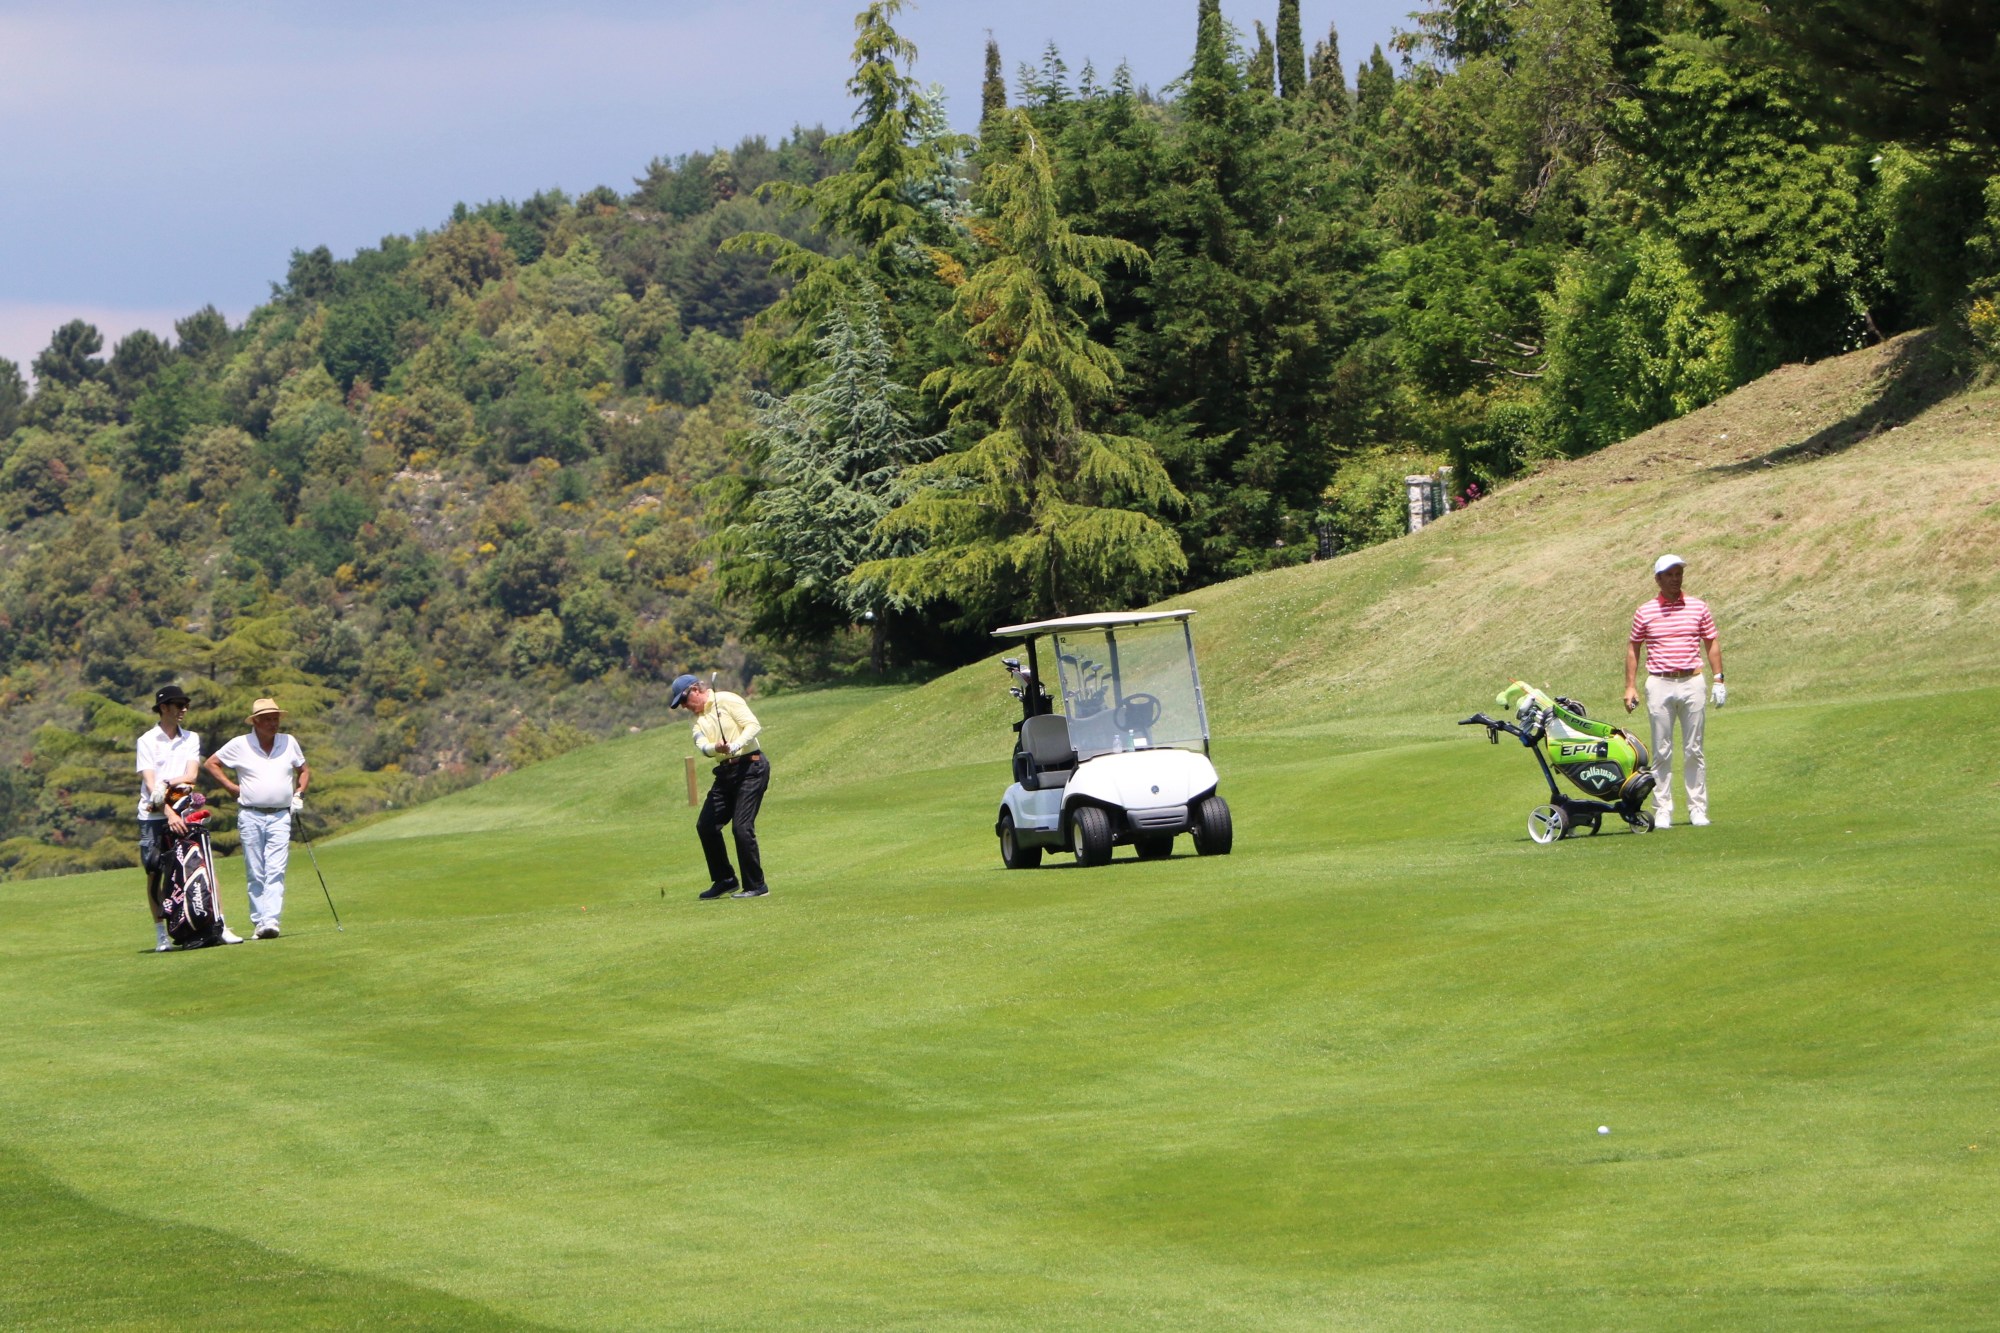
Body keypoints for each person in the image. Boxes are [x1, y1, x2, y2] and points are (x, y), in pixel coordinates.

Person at [1623, 554, 1726, 828]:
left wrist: (1718, 679)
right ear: (1658, 579)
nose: (1675, 579)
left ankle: (1697, 809)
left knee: (1694, 749)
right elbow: (1634, 647)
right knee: (1662, 750)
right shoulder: (1645, 611)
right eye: (1669, 574)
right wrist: (1630, 686)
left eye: (1678, 573)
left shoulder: (1698, 607)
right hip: (1660, 682)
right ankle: (1662, 809)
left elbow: (1711, 641)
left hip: (1692, 681)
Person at [137, 685, 242, 949]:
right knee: (155, 873)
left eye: (186, 705)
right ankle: (161, 935)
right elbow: (150, 784)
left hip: (185, 813)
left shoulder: (191, 738)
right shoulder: (147, 741)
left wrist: (166, 784)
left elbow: (191, 776)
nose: (184, 709)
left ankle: (220, 925)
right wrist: (168, 811)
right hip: (153, 817)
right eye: (178, 705)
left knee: (203, 867)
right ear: (164, 708)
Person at [204, 698, 310, 939]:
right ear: (256, 722)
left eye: (276, 719)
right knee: (255, 870)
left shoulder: (288, 742)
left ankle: (270, 921)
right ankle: (259, 921)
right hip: (250, 814)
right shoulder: (240, 744)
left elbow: (303, 770)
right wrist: (231, 788)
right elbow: (212, 763)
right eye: (268, 719)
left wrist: (299, 794)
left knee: (276, 869)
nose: (274, 723)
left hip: (281, 815)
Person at [669, 673, 770, 900]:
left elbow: (753, 725)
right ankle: (725, 880)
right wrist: (717, 747)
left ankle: (757, 886)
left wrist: (736, 744)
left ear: (695, 690)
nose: (684, 706)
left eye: (684, 700)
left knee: (741, 827)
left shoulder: (727, 699)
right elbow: (702, 745)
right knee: (706, 826)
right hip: (725, 772)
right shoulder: (696, 719)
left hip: (751, 768)